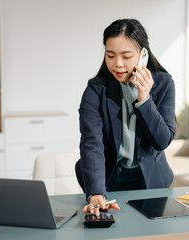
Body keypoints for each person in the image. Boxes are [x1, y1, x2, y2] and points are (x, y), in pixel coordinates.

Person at [75, 19, 175, 216]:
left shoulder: (164, 84)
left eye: (126, 56)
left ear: (143, 55)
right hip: (108, 177)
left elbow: (162, 140)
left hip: (150, 181)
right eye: (110, 55)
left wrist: (144, 100)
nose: (117, 64)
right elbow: (91, 143)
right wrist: (95, 192)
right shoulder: (96, 89)